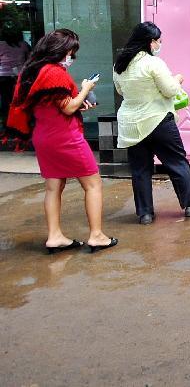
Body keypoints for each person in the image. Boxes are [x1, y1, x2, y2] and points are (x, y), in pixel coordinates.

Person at [6, 29, 117, 253]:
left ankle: (55, 236)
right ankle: (96, 235)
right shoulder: (54, 72)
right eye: (71, 52)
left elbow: (56, 103)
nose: (72, 57)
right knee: (93, 183)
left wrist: (79, 100)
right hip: (65, 137)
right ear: (61, 49)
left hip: (44, 137)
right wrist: (86, 89)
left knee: (53, 187)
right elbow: (68, 108)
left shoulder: (33, 70)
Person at [113, 22, 190, 225]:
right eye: (158, 41)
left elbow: (120, 91)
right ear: (150, 42)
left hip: (132, 124)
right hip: (159, 120)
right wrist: (177, 79)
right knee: (177, 162)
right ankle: (189, 205)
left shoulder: (120, 64)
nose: (159, 44)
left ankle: (145, 213)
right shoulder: (154, 63)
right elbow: (170, 90)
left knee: (140, 169)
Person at [0, 27, 30, 129]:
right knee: (19, 100)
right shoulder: (24, 45)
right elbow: (30, 59)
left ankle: (7, 125)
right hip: (19, 76)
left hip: (3, 76)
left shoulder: (1, 45)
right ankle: (21, 124)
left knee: (5, 101)